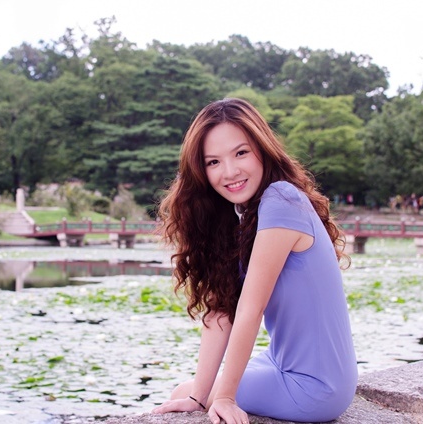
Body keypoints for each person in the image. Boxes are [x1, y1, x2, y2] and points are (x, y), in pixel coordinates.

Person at [153, 98, 357, 424]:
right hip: (280, 362)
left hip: (314, 387)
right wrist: (198, 397)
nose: (230, 171)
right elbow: (221, 310)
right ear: (201, 171)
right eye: (213, 162)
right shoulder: (244, 215)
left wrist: (224, 397)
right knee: (188, 395)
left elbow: (250, 308)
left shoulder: (281, 200)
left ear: (262, 148)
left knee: (184, 392)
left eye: (241, 153)